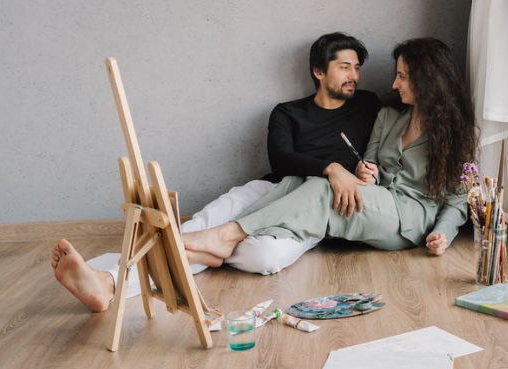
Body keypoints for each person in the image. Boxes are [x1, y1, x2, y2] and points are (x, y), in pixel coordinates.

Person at [51, 32, 381, 312]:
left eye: (356, 67)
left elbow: (387, 151)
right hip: (270, 189)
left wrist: (369, 172)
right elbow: (280, 160)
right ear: (319, 71)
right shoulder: (287, 112)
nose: (354, 74)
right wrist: (331, 167)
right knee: (201, 225)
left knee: (262, 256)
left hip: (313, 206)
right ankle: (109, 282)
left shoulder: (368, 105)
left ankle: (202, 249)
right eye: (344, 67)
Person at [182, 37, 479, 265]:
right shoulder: (389, 115)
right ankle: (214, 245)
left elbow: (456, 200)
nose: (394, 83)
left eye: (403, 76)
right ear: (319, 71)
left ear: (427, 78)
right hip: (379, 199)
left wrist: (443, 234)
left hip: (410, 220)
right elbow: (371, 162)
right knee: (302, 181)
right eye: (397, 74)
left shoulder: (452, 131)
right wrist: (369, 173)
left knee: (323, 190)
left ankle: (227, 235)